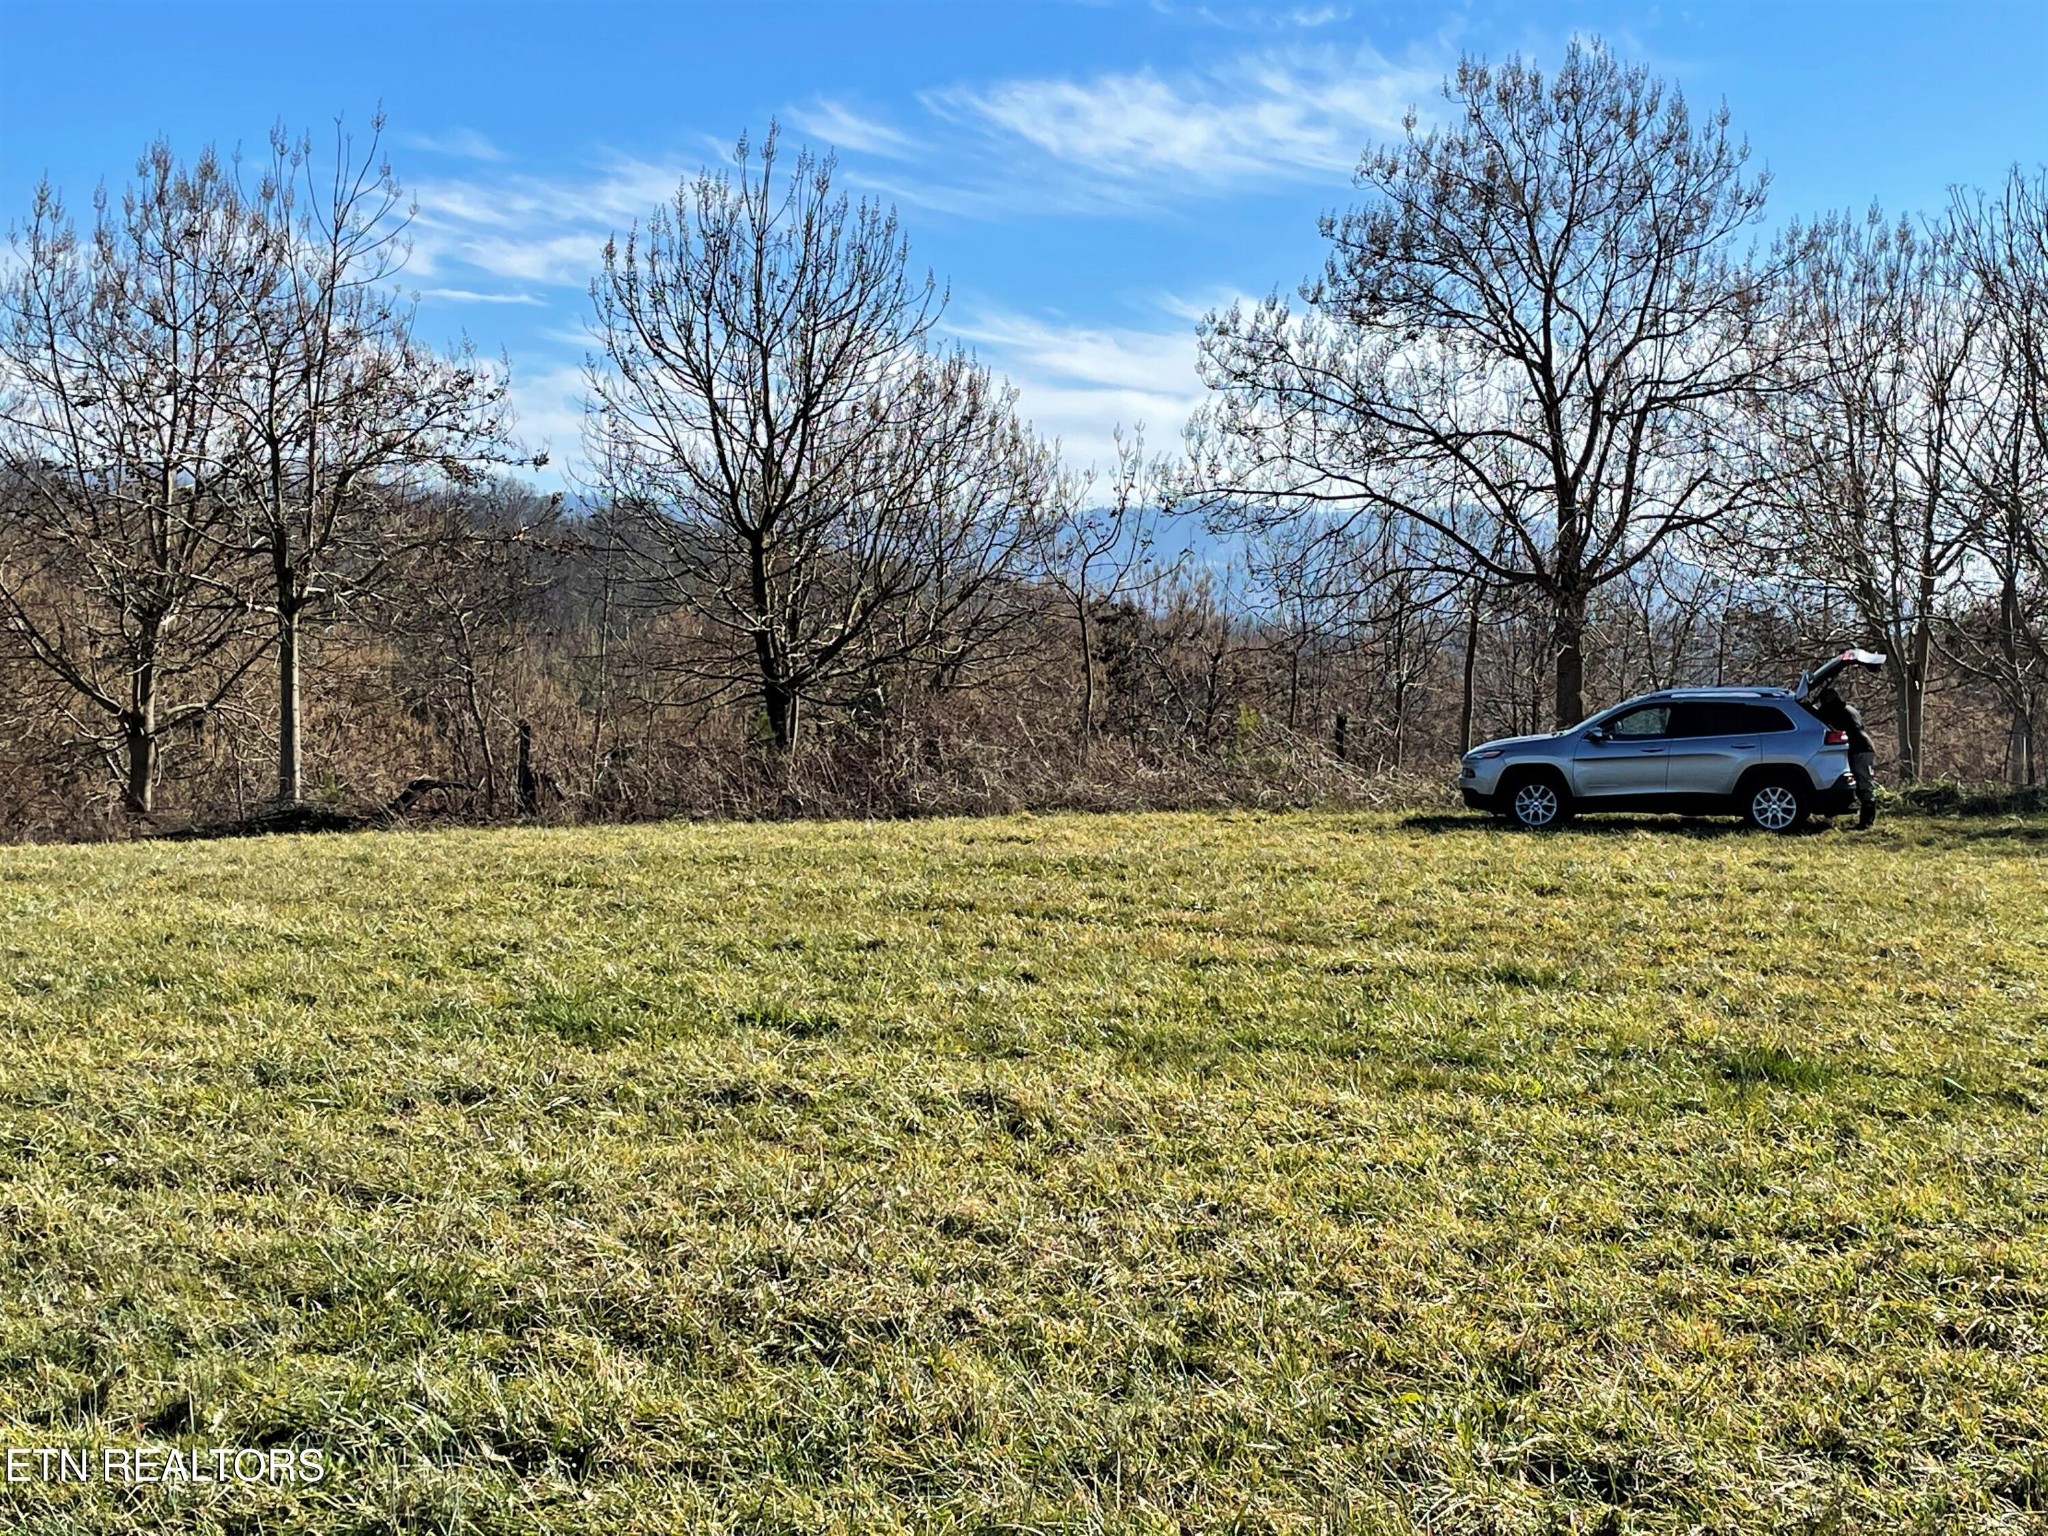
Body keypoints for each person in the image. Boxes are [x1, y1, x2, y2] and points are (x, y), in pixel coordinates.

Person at [1810, 685, 1877, 828]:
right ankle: (1866, 819)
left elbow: (1820, 717)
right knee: (1863, 783)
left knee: (1863, 784)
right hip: (1865, 745)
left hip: (1859, 749)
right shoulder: (1850, 709)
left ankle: (1867, 822)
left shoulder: (1835, 711)